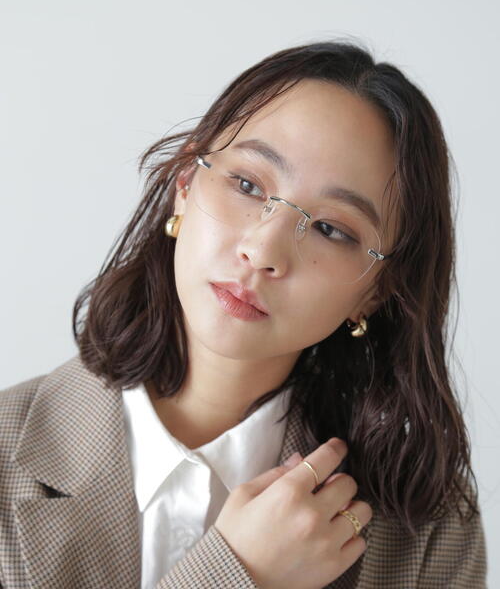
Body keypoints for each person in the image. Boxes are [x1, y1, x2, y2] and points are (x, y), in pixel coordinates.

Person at [0, 40, 487, 588]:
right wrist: (238, 573)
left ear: (376, 292)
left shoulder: (424, 523)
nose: (263, 250)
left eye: (331, 229)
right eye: (248, 185)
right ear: (185, 186)